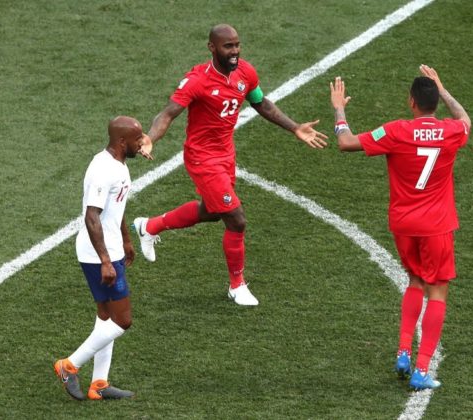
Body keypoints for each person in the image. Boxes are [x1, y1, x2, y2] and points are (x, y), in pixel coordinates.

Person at [133, 24, 328, 306]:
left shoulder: (245, 72)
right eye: (228, 46)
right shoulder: (197, 80)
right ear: (212, 48)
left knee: (212, 212)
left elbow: (261, 103)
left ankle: (149, 226)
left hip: (226, 155)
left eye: (237, 45)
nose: (235, 51)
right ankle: (237, 285)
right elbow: (168, 114)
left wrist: (295, 127)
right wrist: (150, 138)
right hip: (202, 158)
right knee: (236, 219)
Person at [329, 65, 471, 390]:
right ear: (435, 102)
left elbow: (346, 142)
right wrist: (443, 89)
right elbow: (465, 119)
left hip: (403, 224)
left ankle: (404, 353)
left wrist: (339, 110)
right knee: (438, 290)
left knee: (415, 280)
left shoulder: (395, 131)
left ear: (411, 102)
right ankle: (421, 370)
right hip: (437, 225)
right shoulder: (451, 131)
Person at [53, 116, 145, 400]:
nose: (141, 143)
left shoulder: (119, 163)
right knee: (123, 321)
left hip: (111, 248)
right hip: (98, 253)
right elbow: (91, 216)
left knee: (106, 316)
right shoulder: (103, 170)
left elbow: (115, 207)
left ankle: (99, 384)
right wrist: (105, 260)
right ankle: (69, 365)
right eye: (137, 139)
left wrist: (126, 239)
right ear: (121, 141)